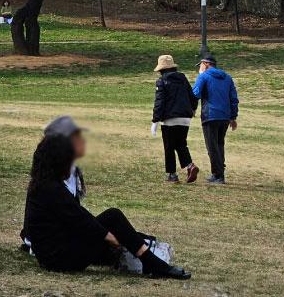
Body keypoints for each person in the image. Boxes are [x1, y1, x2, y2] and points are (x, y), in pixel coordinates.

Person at [22, 134, 190, 279]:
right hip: (59, 259)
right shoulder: (50, 189)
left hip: (55, 252)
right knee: (113, 216)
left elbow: (77, 217)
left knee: (114, 229)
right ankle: (153, 263)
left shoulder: (42, 185)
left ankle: (148, 257)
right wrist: (109, 236)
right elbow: (80, 219)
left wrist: (108, 234)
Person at [21, 116, 87, 253]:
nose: (83, 140)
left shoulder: (71, 169)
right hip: (54, 243)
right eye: (76, 137)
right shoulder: (51, 180)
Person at [192, 55, 238, 185]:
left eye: (201, 65)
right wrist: (233, 117)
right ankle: (218, 173)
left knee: (212, 146)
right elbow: (233, 98)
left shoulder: (204, 76)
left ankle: (218, 175)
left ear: (205, 64)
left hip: (210, 115)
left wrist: (200, 75)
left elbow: (195, 93)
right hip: (224, 116)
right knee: (219, 144)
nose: (200, 68)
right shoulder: (227, 77)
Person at [152, 55, 198, 184]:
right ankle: (190, 166)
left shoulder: (161, 81)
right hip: (185, 118)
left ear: (161, 69)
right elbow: (193, 97)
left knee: (169, 146)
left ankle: (172, 174)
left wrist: (155, 120)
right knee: (181, 144)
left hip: (169, 119)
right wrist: (193, 109)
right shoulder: (183, 78)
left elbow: (159, 102)